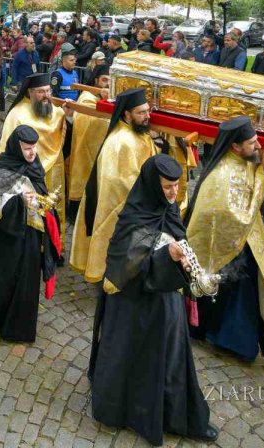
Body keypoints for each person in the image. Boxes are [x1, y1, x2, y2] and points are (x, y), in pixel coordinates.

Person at [89, 154, 217, 446]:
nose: (174, 193)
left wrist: (181, 261)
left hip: (165, 299)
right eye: (167, 187)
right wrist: (164, 256)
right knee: (131, 358)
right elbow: (126, 267)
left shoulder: (168, 208)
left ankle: (177, 416)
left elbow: (177, 236)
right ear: (152, 185)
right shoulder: (133, 217)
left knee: (171, 357)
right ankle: (128, 412)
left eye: (177, 185)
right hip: (134, 306)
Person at [185, 116, 264, 362]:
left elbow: (256, 198)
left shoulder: (247, 160)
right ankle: (227, 340)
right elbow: (229, 216)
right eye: (252, 143)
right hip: (227, 249)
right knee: (230, 294)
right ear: (235, 146)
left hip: (244, 243)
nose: (258, 146)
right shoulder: (222, 175)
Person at [0, 126, 62, 343]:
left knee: (26, 283)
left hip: (30, 238)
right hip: (5, 242)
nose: (32, 153)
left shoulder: (34, 166)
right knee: (2, 283)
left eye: (34, 147)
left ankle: (18, 329)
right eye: (27, 148)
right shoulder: (0, 171)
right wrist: (18, 202)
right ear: (17, 149)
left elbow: (40, 192)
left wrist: (45, 204)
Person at [70, 88, 159, 284]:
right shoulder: (120, 142)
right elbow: (117, 182)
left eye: (147, 111)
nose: (147, 116)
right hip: (119, 208)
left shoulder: (137, 132)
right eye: (141, 113)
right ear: (127, 114)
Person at [0, 73, 68, 219]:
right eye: (41, 91)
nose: (46, 95)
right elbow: (7, 149)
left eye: (48, 91)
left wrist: (70, 117)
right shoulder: (17, 114)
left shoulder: (57, 111)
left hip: (53, 171)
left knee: (53, 215)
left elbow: (66, 135)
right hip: (27, 174)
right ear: (30, 92)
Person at [65, 65, 111, 212]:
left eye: (110, 81)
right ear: (96, 80)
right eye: (104, 80)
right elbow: (92, 122)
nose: (107, 84)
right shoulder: (87, 97)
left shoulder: (104, 97)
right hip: (84, 150)